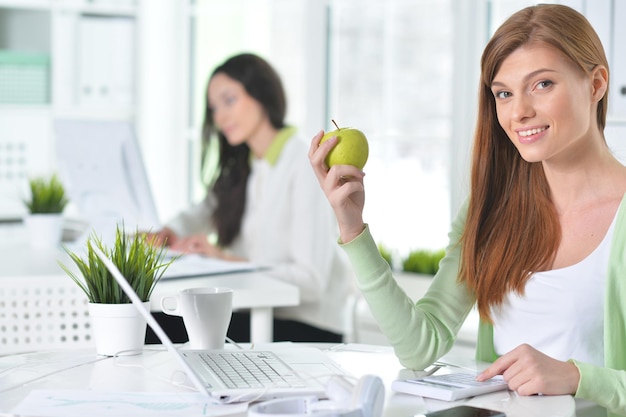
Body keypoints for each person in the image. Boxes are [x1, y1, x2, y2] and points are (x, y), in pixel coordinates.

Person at [309, 4, 625, 415]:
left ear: (597, 83)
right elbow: (420, 347)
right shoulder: (492, 207)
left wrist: (579, 377)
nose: (519, 112)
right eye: (504, 93)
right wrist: (352, 228)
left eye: (542, 84)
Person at [146, 53, 353, 343]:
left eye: (229, 100)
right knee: (152, 322)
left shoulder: (302, 164)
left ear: (261, 94)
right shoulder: (246, 166)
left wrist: (224, 259)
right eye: (213, 108)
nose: (219, 117)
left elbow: (311, 282)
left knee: (157, 329)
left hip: (307, 328)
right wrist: (170, 232)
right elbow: (202, 211)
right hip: (255, 316)